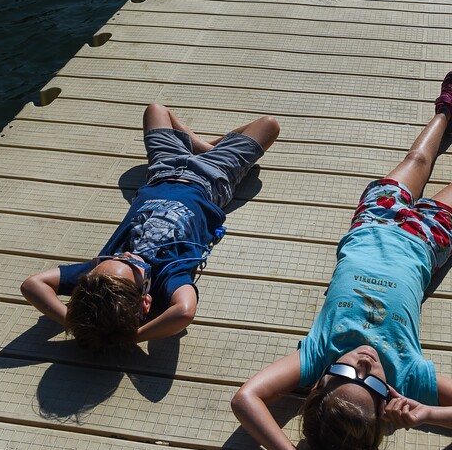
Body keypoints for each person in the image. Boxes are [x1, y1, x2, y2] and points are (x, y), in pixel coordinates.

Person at [232, 73, 452, 450]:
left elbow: (245, 399)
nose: (364, 364)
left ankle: (444, 114)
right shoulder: (406, 376)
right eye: (373, 382)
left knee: (417, 160)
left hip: (372, 223)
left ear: (321, 385)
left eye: (348, 377)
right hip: (424, 241)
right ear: (387, 401)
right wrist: (429, 413)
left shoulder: (318, 356)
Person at [20, 104, 280, 349]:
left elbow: (32, 285)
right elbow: (184, 312)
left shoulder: (98, 277)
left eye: (111, 257)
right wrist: (132, 336)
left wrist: (79, 324)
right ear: (146, 300)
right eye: (133, 264)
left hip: (162, 170)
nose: (126, 254)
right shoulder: (167, 277)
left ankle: (201, 146)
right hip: (211, 177)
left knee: (155, 109)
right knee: (269, 124)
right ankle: (205, 149)